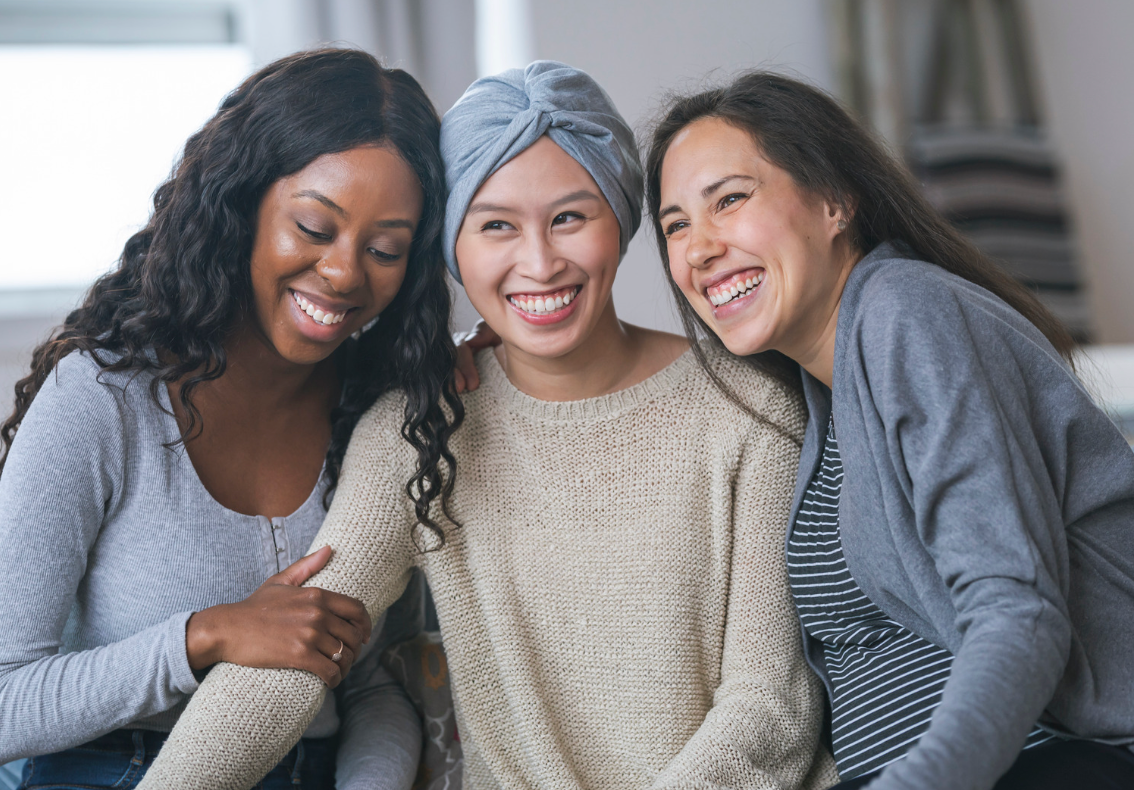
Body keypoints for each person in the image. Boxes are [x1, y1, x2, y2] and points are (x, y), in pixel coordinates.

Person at [134, 61, 838, 790]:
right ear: (453, 250)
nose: (538, 263)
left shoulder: (748, 406)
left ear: (622, 220)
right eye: (496, 225)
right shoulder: (418, 431)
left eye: (570, 217)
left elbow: (769, 710)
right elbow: (287, 665)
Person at [0, 48, 462, 790]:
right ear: (243, 204)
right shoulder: (102, 398)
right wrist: (208, 635)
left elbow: (365, 684)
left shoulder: (383, 422)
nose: (346, 272)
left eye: (385, 249)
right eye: (315, 228)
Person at [647, 71, 1134, 790]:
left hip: (1039, 761)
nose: (698, 248)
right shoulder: (819, 389)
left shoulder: (908, 313)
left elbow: (1017, 611)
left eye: (730, 200)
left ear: (836, 201)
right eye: (675, 224)